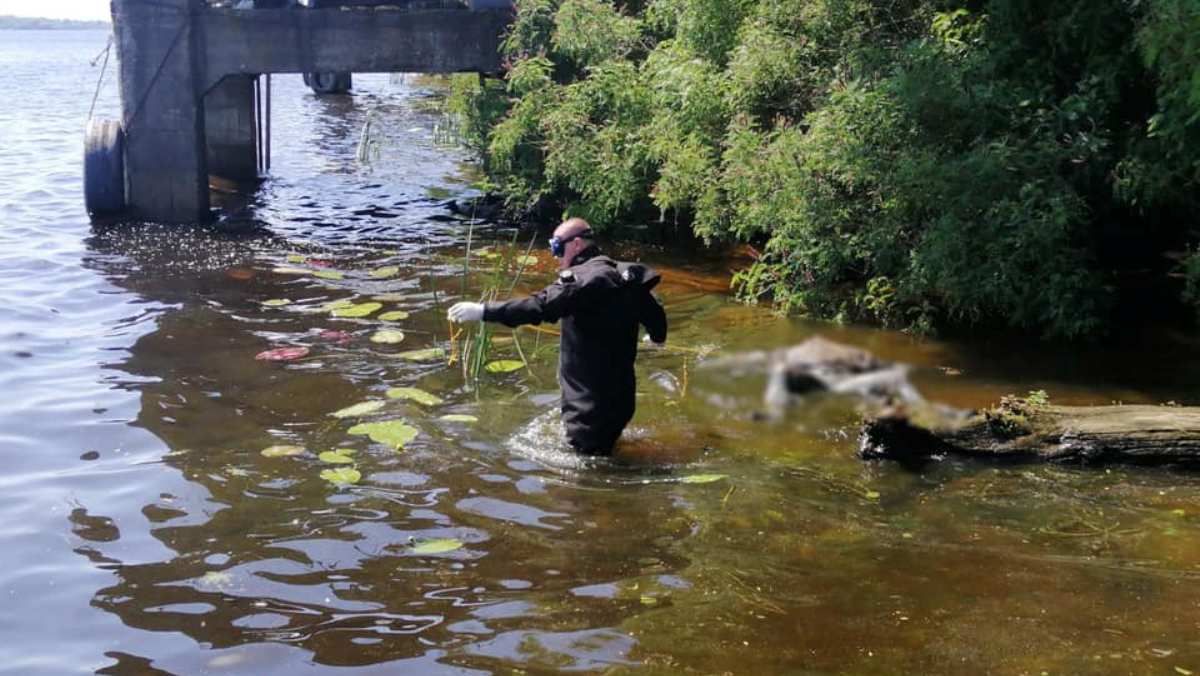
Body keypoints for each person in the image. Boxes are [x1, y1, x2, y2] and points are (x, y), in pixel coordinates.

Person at [448, 218, 668, 455]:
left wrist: (483, 311)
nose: (554, 255)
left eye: (556, 246)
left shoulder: (582, 282)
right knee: (607, 451)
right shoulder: (623, 276)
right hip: (621, 401)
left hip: (587, 409)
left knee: (582, 479)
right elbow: (655, 315)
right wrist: (656, 338)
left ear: (575, 244)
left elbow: (538, 307)